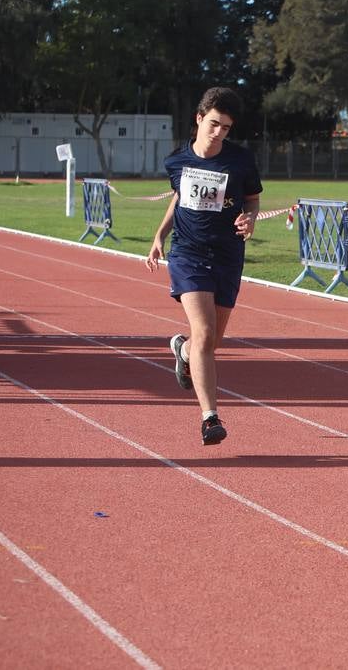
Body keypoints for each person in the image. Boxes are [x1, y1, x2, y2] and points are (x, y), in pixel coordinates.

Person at [145, 87, 262, 446]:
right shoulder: (176, 161)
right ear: (199, 118)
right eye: (214, 124)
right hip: (188, 253)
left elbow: (253, 200)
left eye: (226, 127)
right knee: (207, 333)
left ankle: (181, 349)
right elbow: (179, 198)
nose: (218, 133)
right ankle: (210, 417)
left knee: (209, 342)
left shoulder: (240, 161)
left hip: (228, 256)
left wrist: (250, 219)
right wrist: (159, 235)